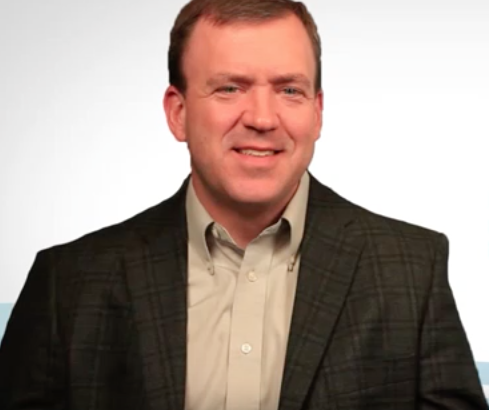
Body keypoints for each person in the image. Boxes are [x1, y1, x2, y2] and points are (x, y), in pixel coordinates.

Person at [0, 0, 487, 409]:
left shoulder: (411, 270)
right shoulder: (68, 283)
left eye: (289, 90)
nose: (261, 117)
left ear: (317, 114)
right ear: (179, 112)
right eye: (230, 87)